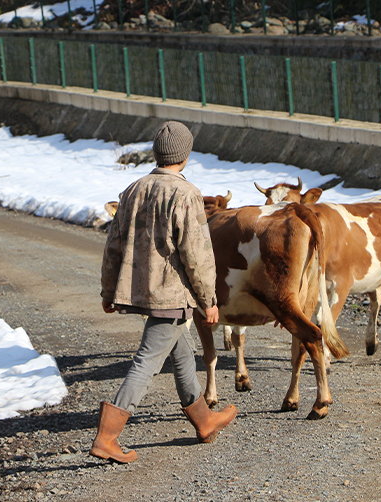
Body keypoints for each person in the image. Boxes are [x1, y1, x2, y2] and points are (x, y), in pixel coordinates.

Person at [90, 121, 237, 464]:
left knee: (182, 353)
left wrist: (108, 290)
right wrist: (208, 301)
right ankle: (107, 437)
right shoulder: (186, 194)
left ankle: (203, 421)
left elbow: (113, 246)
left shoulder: (133, 189)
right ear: (185, 155)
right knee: (146, 361)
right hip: (172, 295)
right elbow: (197, 255)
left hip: (143, 291)